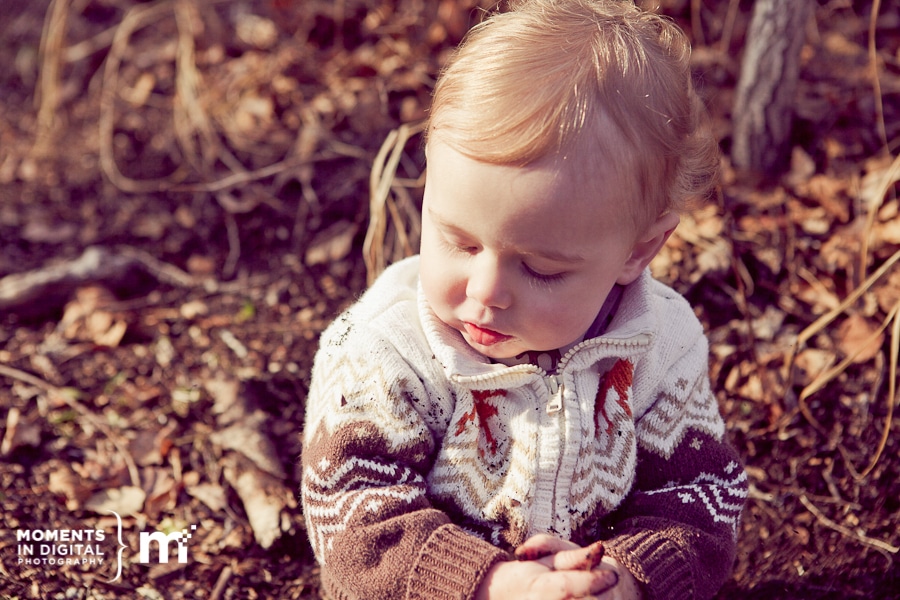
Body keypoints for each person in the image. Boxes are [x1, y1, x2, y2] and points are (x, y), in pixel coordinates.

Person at [300, 0, 748, 598]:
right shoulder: (386, 351)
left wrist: (623, 578)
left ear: (638, 251)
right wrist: (497, 585)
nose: (485, 292)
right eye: (457, 240)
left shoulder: (660, 345)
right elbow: (355, 525)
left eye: (540, 270)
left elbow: (701, 502)